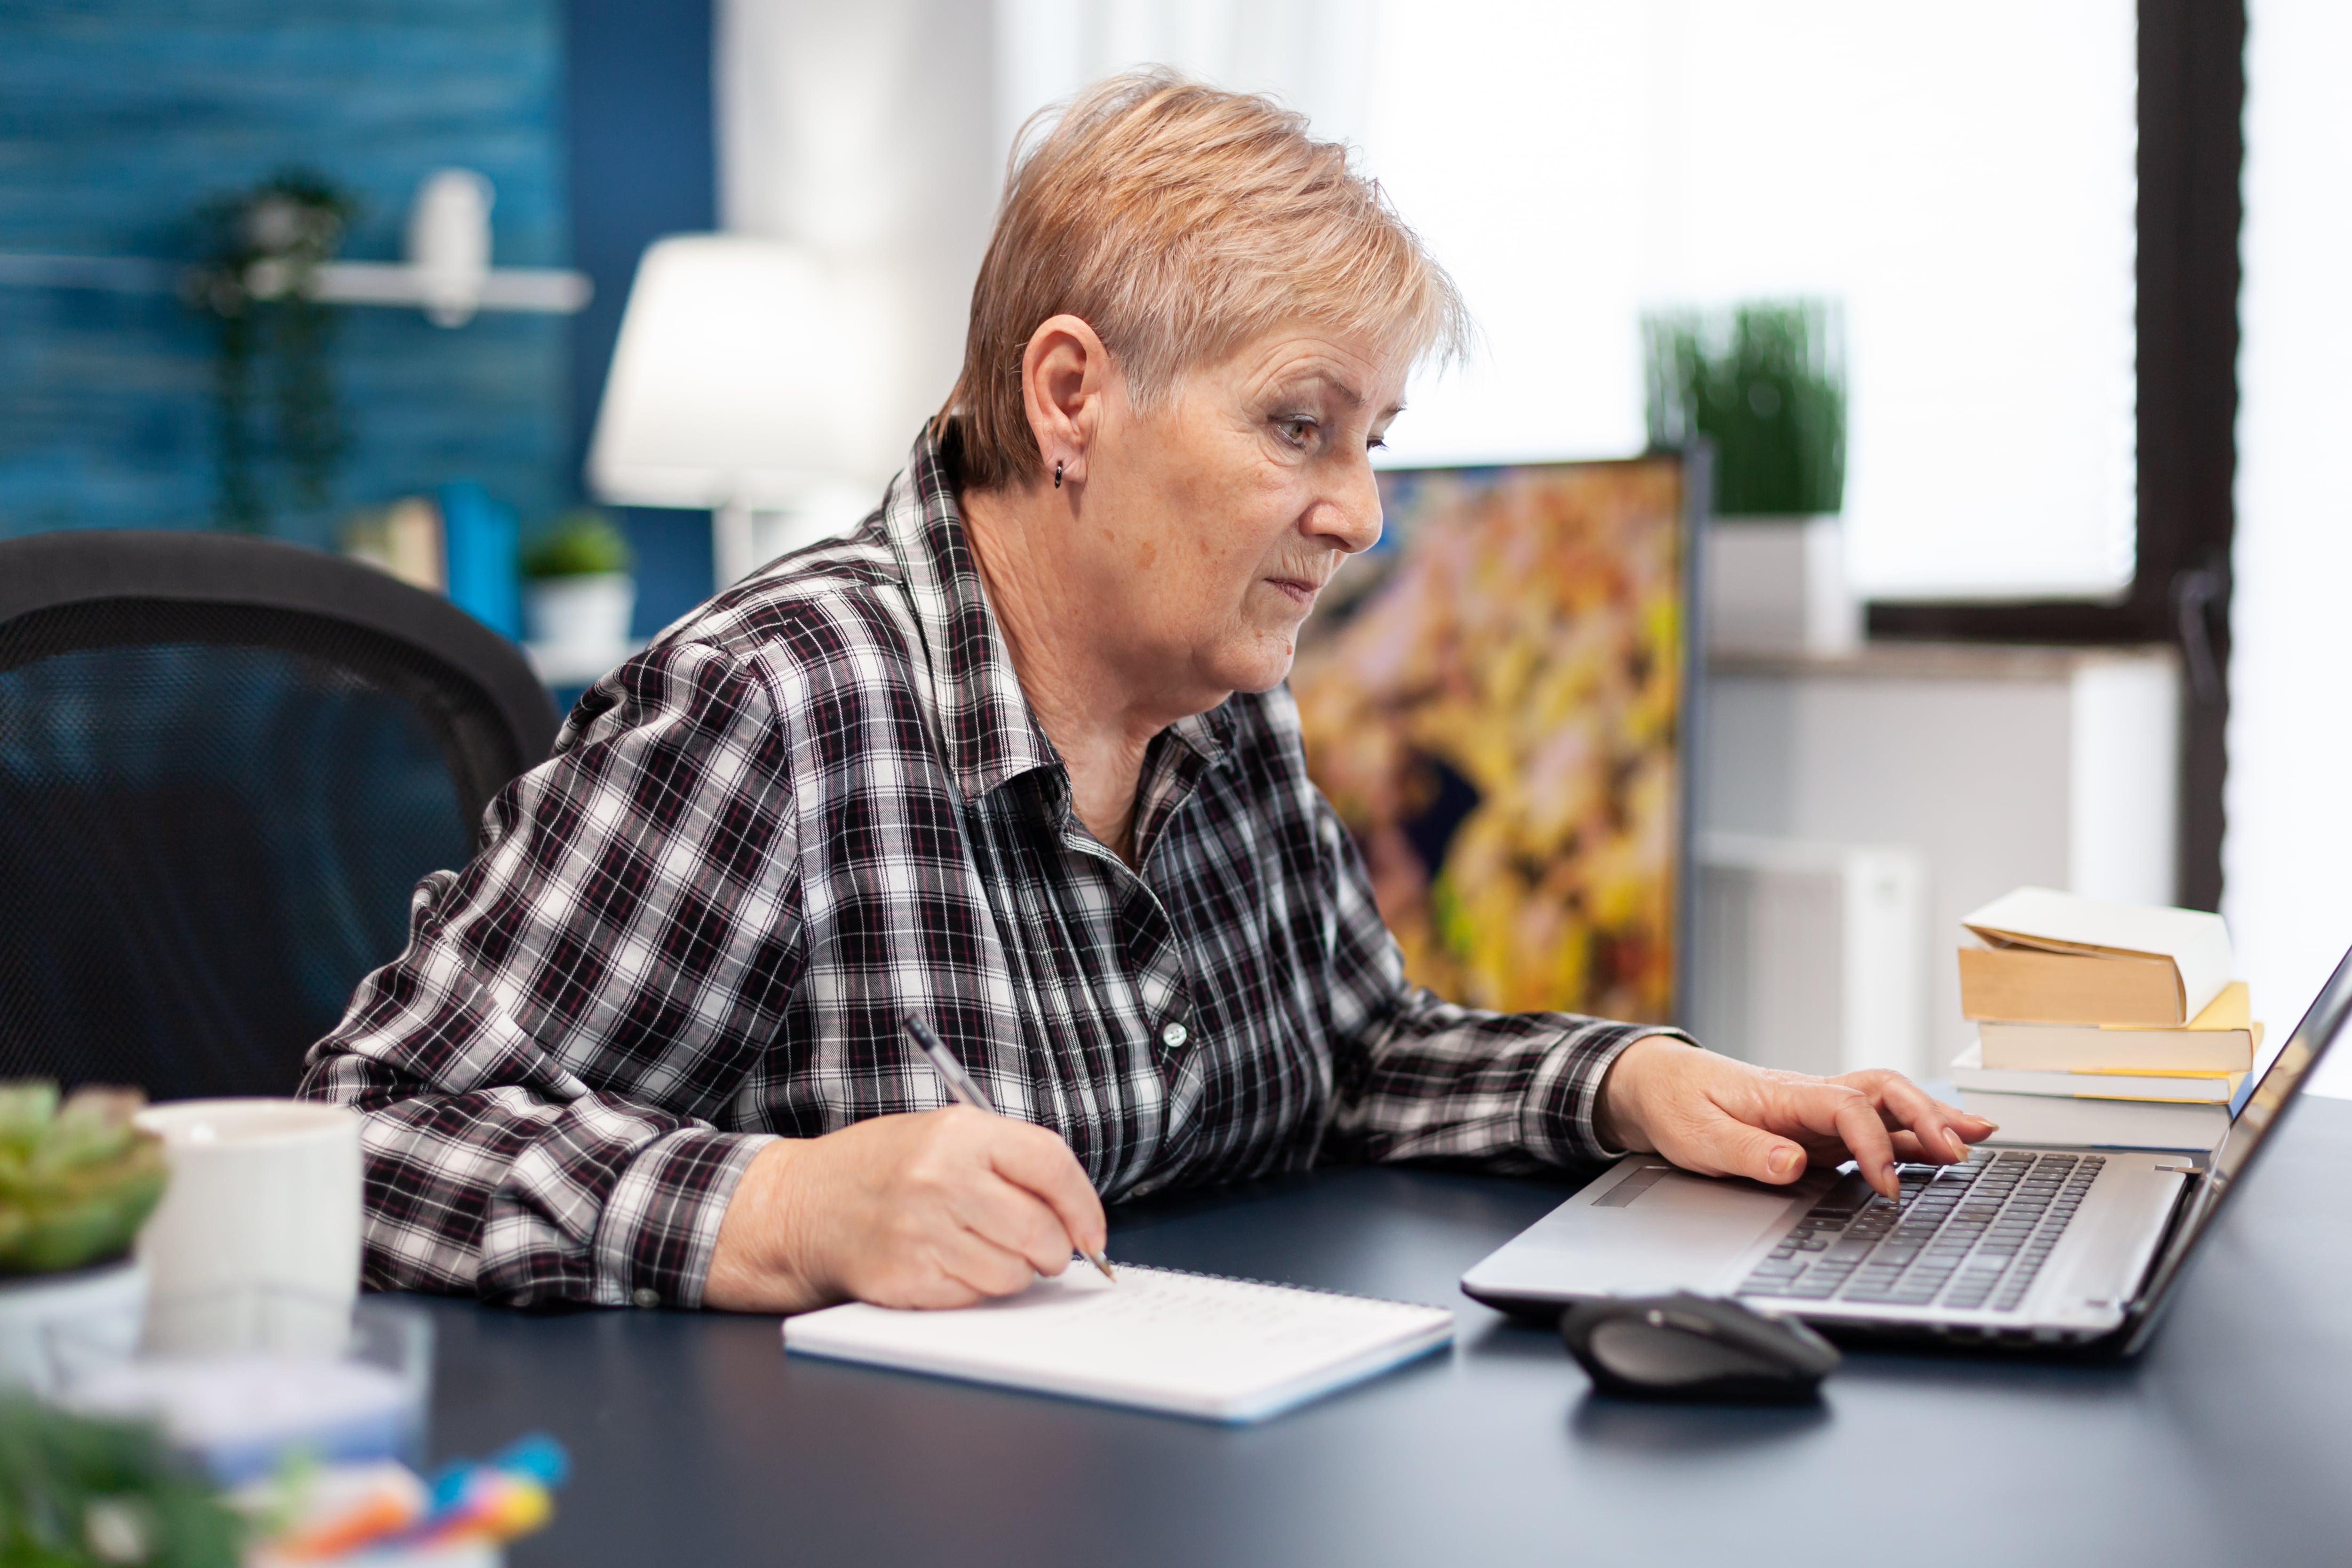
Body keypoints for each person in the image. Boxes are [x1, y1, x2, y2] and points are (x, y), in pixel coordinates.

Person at [301, 72, 1991, 1314]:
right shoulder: (779, 707)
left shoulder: (1220, 702)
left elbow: (1348, 1060)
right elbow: (352, 1147)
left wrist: (1634, 1087)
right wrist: (786, 1204)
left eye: (1373, 442)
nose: (1359, 512)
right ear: (1070, 398)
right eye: (1299, 426)